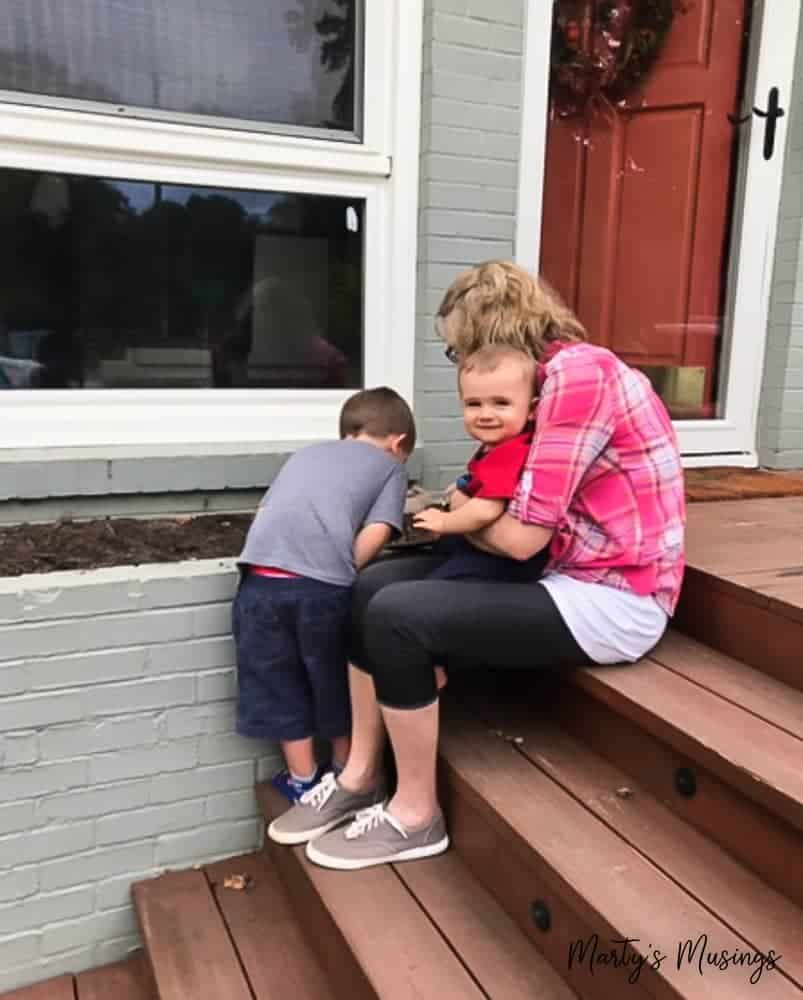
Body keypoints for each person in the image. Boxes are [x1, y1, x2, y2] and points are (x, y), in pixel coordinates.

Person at [267, 260, 686, 868]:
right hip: (561, 568)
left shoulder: (580, 378)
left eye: (456, 345)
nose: (457, 357)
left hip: (615, 594)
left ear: (488, 330)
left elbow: (519, 539)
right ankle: (358, 776)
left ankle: (416, 816)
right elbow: (495, 509)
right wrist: (466, 510)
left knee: (399, 616)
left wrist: (461, 510)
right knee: (370, 586)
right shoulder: (537, 384)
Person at [233, 386, 415, 802]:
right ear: (398, 442)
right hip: (320, 588)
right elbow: (378, 530)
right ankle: (346, 774)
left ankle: (302, 780)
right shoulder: (391, 467)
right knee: (334, 678)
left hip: (259, 581)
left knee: (278, 682)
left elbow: (265, 512)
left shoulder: (305, 455)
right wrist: (345, 564)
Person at [414, 344, 545, 585]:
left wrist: (445, 522)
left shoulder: (510, 453)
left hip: (504, 564)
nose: (485, 414)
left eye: (501, 403)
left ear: (532, 409)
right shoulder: (498, 446)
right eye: (474, 404)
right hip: (489, 548)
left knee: (434, 587)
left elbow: (487, 509)